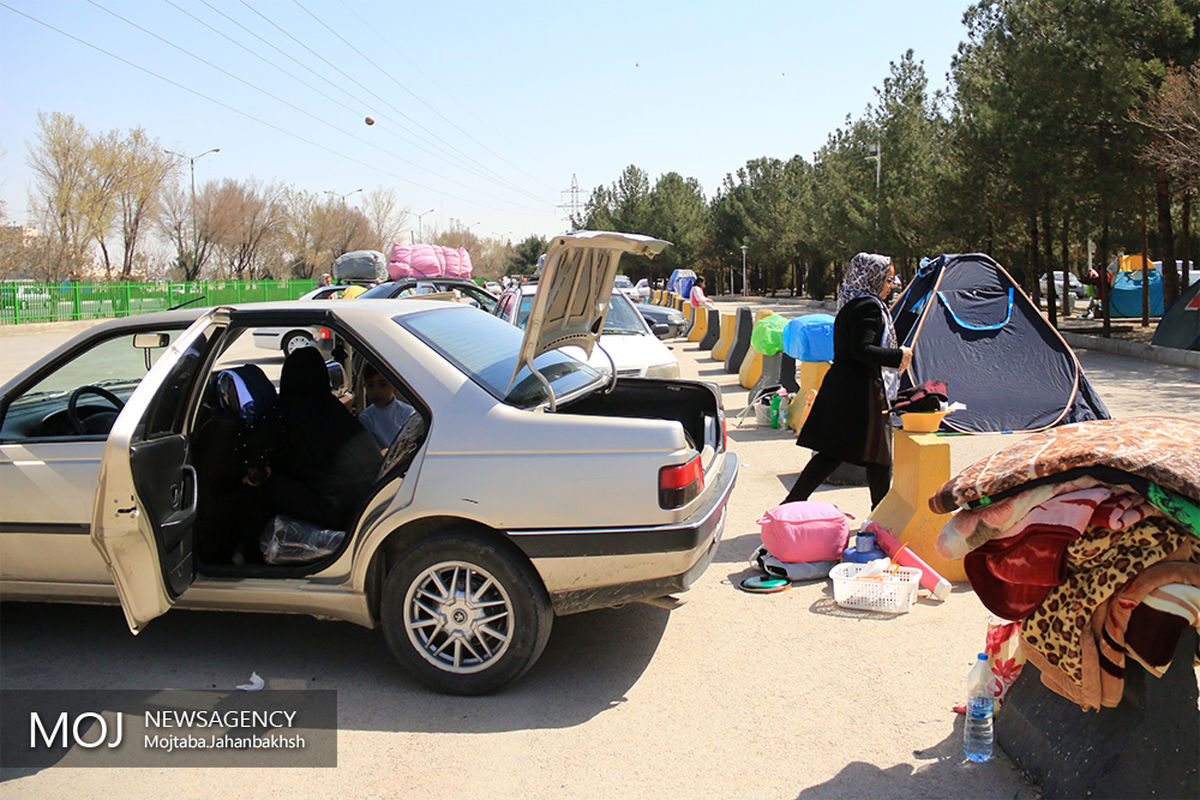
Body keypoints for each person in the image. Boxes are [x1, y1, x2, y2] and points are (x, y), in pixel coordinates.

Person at [783, 253, 913, 509]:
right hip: (860, 393)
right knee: (870, 455)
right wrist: (899, 355)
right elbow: (861, 350)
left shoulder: (852, 302)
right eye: (888, 280)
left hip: (847, 388)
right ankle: (880, 519)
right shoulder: (867, 307)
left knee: (856, 455)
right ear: (873, 278)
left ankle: (790, 505)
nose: (892, 285)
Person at [359, 362, 416, 450]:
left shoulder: (408, 413)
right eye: (370, 386)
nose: (376, 390)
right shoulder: (366, 418)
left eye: (383, 384)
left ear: (395, 388)